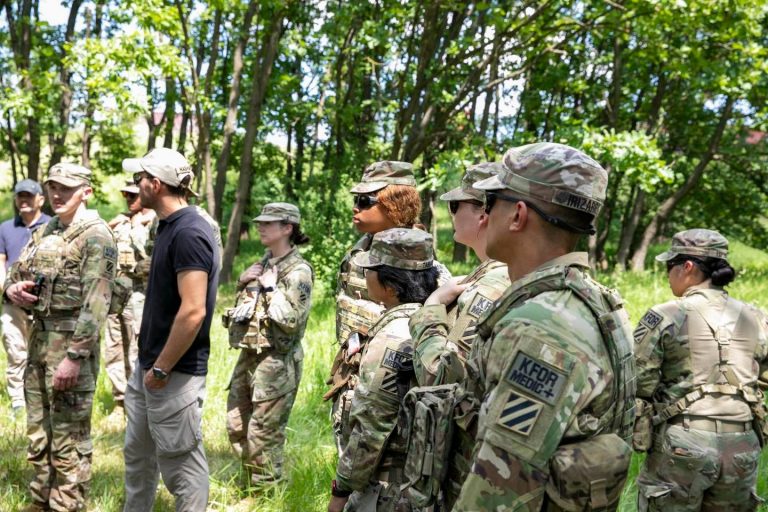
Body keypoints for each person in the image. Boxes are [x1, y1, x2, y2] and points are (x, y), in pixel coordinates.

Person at [449, 143, 636, 511]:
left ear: (517, 215)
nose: (484, 215)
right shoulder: (596, 301)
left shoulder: (541, 328)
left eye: (490, 203)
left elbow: (500, 486)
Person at [4, 164, 115, 512]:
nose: (57, 194)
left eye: (66, 188)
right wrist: (12, 290)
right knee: (39, 433)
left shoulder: (96, 236)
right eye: (53, 187)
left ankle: (67, 505)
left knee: (69, 440)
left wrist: (75, 357)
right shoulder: (46, 231)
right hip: (37, 345)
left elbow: (96, 303)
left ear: (86, 191)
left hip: (70, 352)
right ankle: (41, 501)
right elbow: (16, 274)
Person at [633, 229, 767, 511]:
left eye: (670, 266)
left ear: (688, 267)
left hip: (684, 444)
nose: (668, 275)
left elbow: (637, 380)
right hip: (742, 446)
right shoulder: (756, 317)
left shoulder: (666, 315)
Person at [325, 161, 450, 454]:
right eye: (355, 199)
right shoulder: (357, 254)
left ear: (397, 204)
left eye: (365, 201)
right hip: (354, 377)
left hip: (394, 389)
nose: (356, 208)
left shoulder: (422, 264)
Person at [121, 147, 220, 511]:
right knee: (138, 455)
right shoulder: (167, 227)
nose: (136, 185)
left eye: (139, 179)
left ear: (155, 185)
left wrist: (161, 368)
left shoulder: (190, 232)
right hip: (150, 368)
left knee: (182, 467)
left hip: (173, 372)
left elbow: (193, 311)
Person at [328, 227, 440, 512]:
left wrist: (340, 490)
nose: (364, 276)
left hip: (388, 487)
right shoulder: (433, 321)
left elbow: (371, 429)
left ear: (390, 286)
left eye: (370, 270)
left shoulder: (392, 337)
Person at [225, 202, 314, 486]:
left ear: (287, 228)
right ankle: (251, 479)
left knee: (264, 431)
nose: (260, 226)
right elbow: (243, 312)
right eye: (259, 221)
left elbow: (290, 321)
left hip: (277, 360)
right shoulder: (263, 263)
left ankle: (266, 491)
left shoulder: (298, 271)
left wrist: (272, 288)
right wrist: (242, 282)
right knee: (236, 423)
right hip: (250, 354)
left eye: (268, 223)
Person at [409, 162, 510, 387]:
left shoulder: (492, 285)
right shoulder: (502, 273)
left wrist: (432, 305)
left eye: (455, 206)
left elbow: (440, 376)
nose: (452, 215)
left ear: (483, 214)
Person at [103, 181, 155, 422]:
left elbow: (150, 261)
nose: (128, 198)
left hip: (140, 295)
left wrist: (136, 227)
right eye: (125, 194)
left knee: (137, 348)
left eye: (133, 194)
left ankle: (137, 403)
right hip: (116, 294)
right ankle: (119, 401)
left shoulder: (154, 222)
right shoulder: (120, 221)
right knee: (114, 347)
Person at [0, 179, 49, 416]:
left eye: (29, 196)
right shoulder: (6, 228)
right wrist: (7, 289)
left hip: (45, 302)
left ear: (40, 199)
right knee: (15, 348)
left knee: (44, 351)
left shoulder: (53, 225)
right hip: (12, 302)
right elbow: (0, 263)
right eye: (20, 196)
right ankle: (18, 400)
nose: (24, 200)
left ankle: (41, 395)